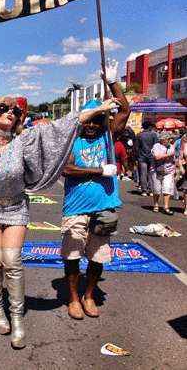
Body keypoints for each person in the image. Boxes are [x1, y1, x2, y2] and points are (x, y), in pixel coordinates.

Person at [0, 94, 120, 349]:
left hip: (16, 209)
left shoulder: (24, 141)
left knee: (12, 261)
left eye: (16, 110)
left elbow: (64, 124)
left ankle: (17, 319)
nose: (11, 112)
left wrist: (101, 108)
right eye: (3, 108)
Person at [61, 71, 130, 321]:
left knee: (97, 257)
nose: (91, 125)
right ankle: (72, 297)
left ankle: (89, 295)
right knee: (72, 256)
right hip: (76, 208)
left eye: (97, 120)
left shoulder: (108, 138)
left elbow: (124, 111)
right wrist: (100, 170)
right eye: (88, 121)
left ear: (103, 121)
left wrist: (113, 82)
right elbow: (68, 169)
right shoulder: (72, 140)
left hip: (104, 207)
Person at [151, 131, 176, 215]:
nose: (170, 140)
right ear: (163, 139)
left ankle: (166, 207)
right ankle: (156, 204)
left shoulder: (172, 146)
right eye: (168, 139)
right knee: (156, 189)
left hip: (168, 170)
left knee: (167, 188)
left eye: (170, 139)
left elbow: (174, 156)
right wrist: (168, 155)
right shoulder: (156, 146)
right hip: (156, 170)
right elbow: (157, 156)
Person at [136, 122, 158, 196]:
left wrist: (137, 156)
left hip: (142, 157)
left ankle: (144, 190)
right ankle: (151, 190)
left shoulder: (139, 135)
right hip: (151, 157)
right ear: (149, 127)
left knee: (143, 174)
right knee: (151, 173)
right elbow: (156, 146)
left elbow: (136, 148)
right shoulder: (154, 135)